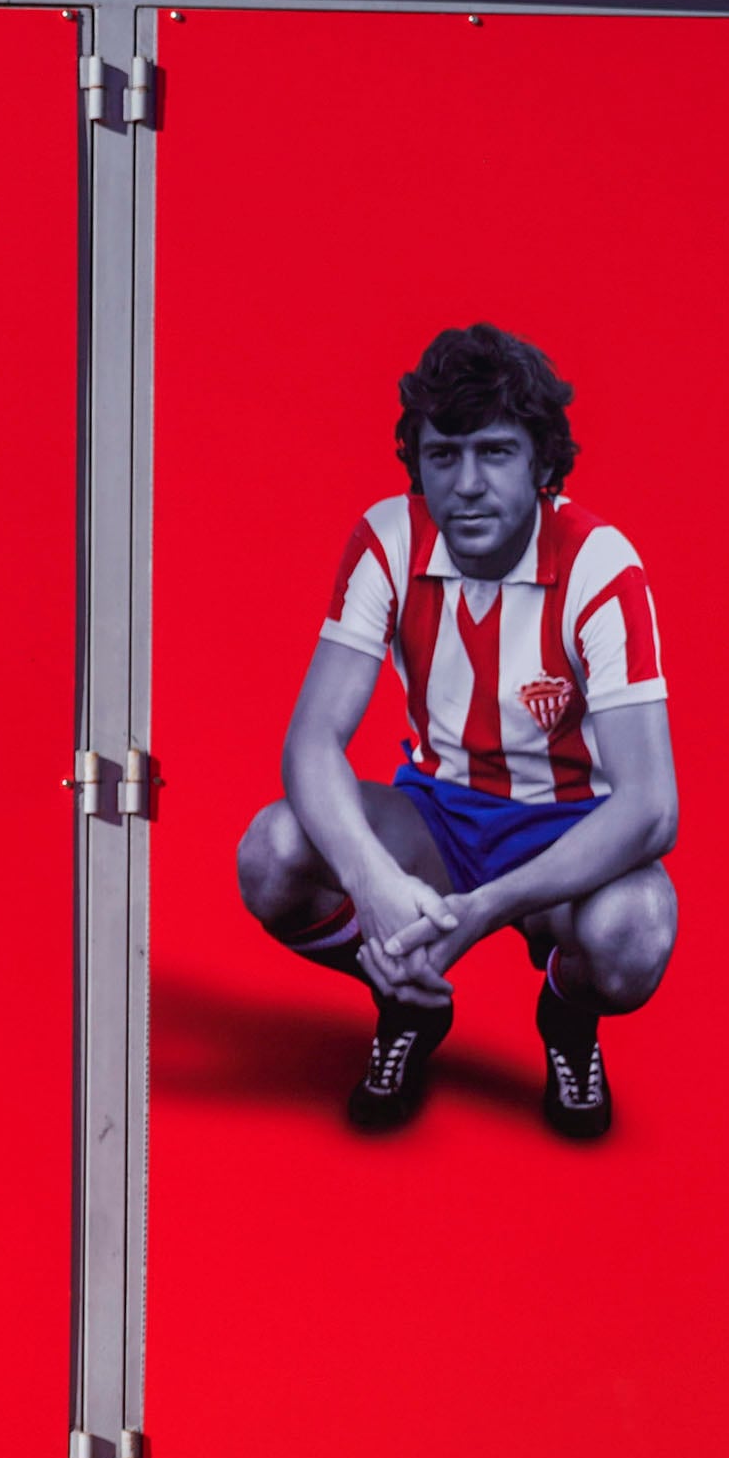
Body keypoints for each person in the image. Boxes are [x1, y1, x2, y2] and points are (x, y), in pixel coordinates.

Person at [234, 324, 676, 1139]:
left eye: (495, 453)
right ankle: (405, 995)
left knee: (638, 930)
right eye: (444, 456)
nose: (467, 484)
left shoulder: (599, 564)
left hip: (569, 833)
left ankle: (567, 1019)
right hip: (439, 818)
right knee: (273, 853)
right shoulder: (388, 539)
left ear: (542, 463)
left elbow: (651, 807)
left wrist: (480, 913)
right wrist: (374, 885)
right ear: (418, 465)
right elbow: (310, 741)